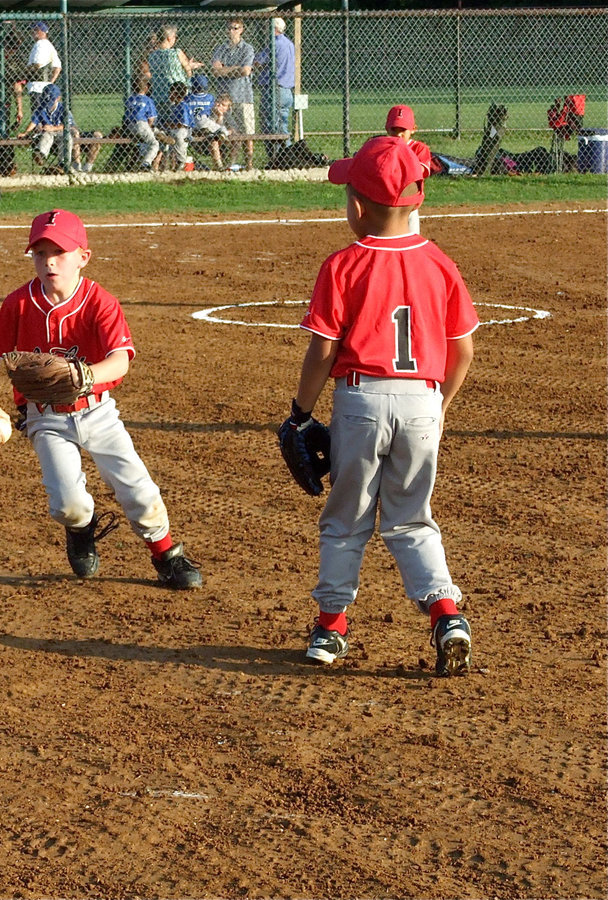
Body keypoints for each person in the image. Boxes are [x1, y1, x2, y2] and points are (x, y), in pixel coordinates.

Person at [286, 136, 478, 677]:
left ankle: (330, 628)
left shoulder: (344, 264)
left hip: (362, 400)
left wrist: (300, 414)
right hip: (422, 401)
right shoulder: (440, 262)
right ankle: (447, 615)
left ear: (358, 205)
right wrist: (438, 405)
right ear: (416, 200)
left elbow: (323, 348)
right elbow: (462, 349)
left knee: (346, 522)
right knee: (412, 520)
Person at [0, 209, 203, 590]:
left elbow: (120, 359)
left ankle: (166, 555)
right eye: (39, 252)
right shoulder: (19, 303)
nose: (49, 261)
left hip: (97, 410)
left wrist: (86, 375)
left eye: (60, 252)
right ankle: (81, 529)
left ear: (83, 257)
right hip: (44, 416)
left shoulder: (100, 302)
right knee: (68, 504)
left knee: (139, 490)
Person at [18, 83, 99, 175]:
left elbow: (68, 125)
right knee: (47, 135)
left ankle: (81, 167)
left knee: (74, 135)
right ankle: (40, 154)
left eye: (51, 101)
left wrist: (53, 128)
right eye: (46, 100)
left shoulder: (63, 108)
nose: (48, 104)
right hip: (50, 135)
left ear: (58, 98)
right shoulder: (41, 108)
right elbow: (33, 122)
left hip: (62, 133)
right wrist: (26, 133)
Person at [385, 104, 440, 235]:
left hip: (409, 204)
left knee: (411, 238)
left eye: (403, 130)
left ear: (413, 129)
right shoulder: (382, 147)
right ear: (386, 128)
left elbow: (419, 171)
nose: (398, 134)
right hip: (385, 203)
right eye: (394, 129)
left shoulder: (419, 149)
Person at [210, 17, 255, 170]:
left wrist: (225, 69)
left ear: (241, 29)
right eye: (229, 28)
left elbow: (245, 71)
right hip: (224, 98)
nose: (232, 31)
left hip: (243, 96)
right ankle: (230, 164)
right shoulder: (220, 49)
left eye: (235, 28)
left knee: (247, 133)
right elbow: (215, 71)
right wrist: (234, 68)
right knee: (229, 132)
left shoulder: (247, 48)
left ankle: (249, 163)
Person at [254, 17, 295, 162]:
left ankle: (278, 158)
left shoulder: (274, 44)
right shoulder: (289, 44)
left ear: (274, 28)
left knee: (270, 125)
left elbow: (258, 62)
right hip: (287, 89)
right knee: (282, 124)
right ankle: (288, 155)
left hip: (273, 90)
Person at [146, 24, 201, 122]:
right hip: (177, 95)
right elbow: (188, 70)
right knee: (179, 120)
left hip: (159, 94)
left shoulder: (152, 55)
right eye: (175, 36)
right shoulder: (176, 52)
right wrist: (189, 69)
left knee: (162, 122)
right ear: (169, 38)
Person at [123, 79, 161, 173]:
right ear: (146, 88)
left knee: (144, 140)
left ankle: (138, 161)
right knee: (154, 143)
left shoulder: (130, 99)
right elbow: (151, 119)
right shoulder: (148, 100)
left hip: (128, 127)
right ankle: (145, 163)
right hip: (141, 125)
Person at [24, 21, 61, 113]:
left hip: (37, 84)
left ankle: (39, 127)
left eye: (35, 30)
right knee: (44, 112)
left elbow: (37, 65)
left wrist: (21, 71)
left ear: (42, 31)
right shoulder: (49, 45)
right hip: (44, 84)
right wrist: (50, 82)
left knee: (37, 113)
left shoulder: (40, 44)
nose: (33, 33)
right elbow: (58, 67)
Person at [158, 82, 195, 172]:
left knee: (179, 135)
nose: (168, 95)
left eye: (170, 92)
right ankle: (165, 165)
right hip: (174, 129)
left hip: (185, 131)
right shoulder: (175, 106)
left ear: (174, 93)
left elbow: (183, 124)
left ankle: (181, 161)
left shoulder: (183, 106)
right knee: (164, 136)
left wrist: (169, 125)